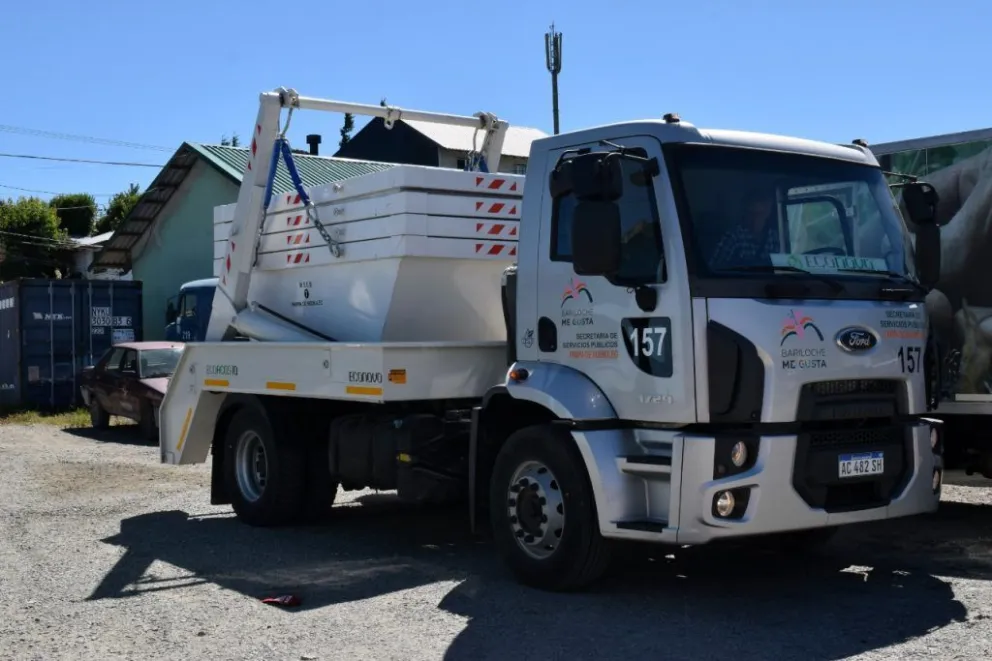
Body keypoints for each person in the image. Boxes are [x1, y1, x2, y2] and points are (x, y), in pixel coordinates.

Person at [708, 187, 782, 270]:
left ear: (767, 213)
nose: (755, 220)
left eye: (759, 214)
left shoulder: (776, 237)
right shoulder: (733, 237)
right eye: (751, 214)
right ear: (744, 213)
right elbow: (714, 268)